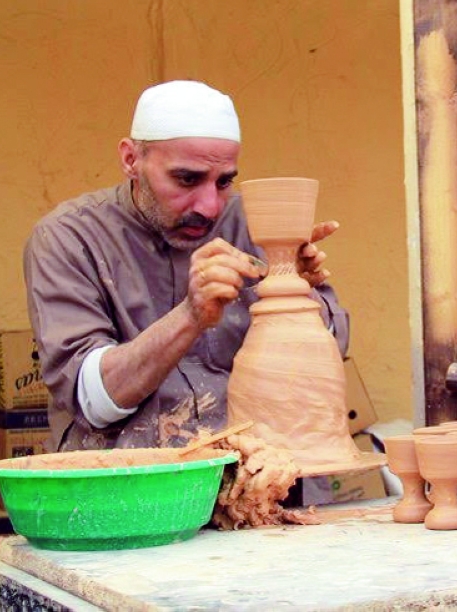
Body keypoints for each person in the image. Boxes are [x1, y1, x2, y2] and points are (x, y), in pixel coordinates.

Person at [24, 80, 349, 451]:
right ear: (131, 159)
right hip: (132, 487)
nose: (209, 206)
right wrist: (190, 317)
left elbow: (328, 360)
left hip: (262, 474)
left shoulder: (256, 224)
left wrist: (303, 302)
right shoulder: (69, 238)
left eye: (224, 182)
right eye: (187, 179)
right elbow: (92, 402)